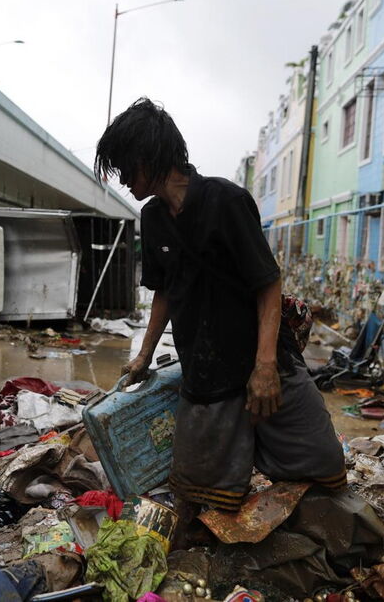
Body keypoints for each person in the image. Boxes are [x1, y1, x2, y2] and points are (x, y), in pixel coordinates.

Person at [95, 98, 346, 524]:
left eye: (124, 167)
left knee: (325, 470)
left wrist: (265, 367)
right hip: (205, 375)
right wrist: (142, 355)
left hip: (265, 363)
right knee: (198, 494)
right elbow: (164, 292)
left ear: (147, 157)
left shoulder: (227, 201)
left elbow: (268, 283)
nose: (122, 180)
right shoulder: (152, 218)